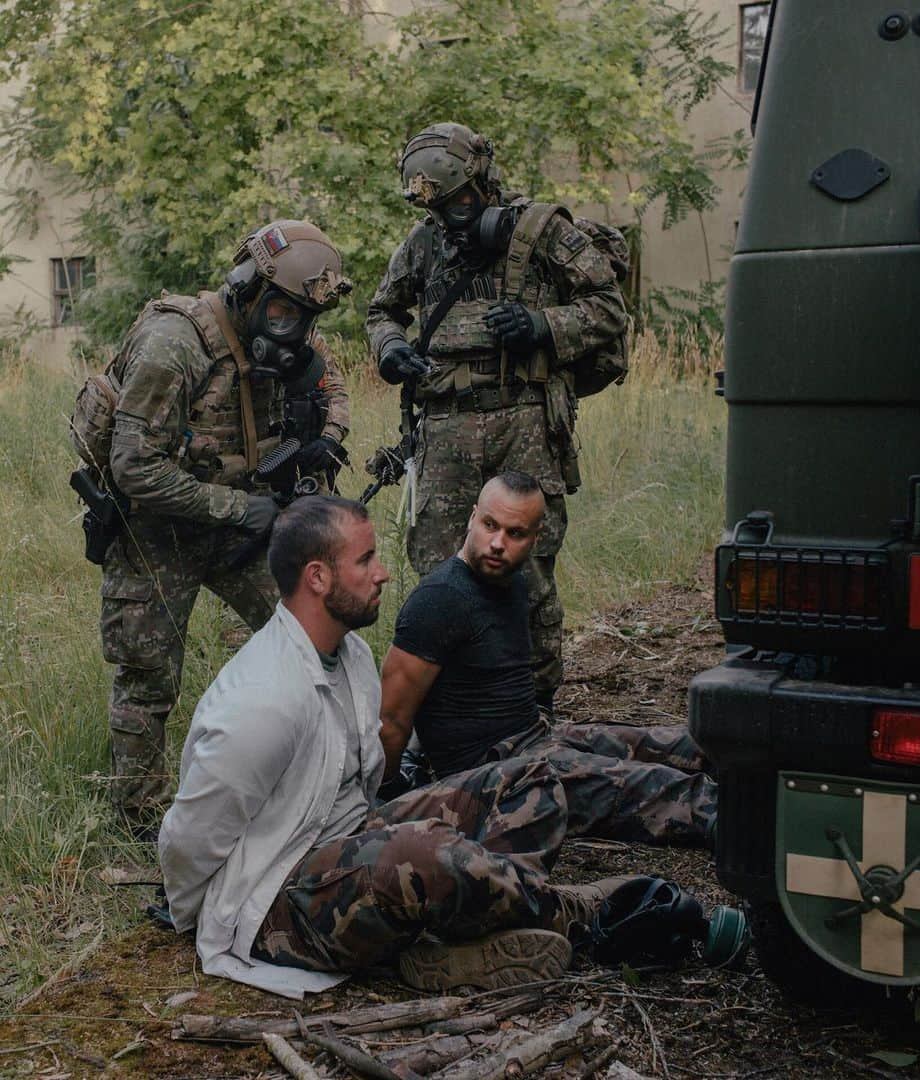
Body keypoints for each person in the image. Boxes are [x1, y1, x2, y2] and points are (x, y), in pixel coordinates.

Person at [158, 496, 634, 998]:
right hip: (273, 902)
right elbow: (190, 839)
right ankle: (575, 913)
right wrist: (197, 921)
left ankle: (467, 940)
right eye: (365, 560)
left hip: (347, 839)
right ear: (317, 578)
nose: (382, 573)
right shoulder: (262, 703)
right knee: (420, 854)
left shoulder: (353, 655)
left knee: (526, 779)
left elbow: (367, 793)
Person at [94, 220, 354, 829]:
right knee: (147, 678)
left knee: (312, 637)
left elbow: (333, 387)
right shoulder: (175, 343)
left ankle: (318, 780)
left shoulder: (289, 338)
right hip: (158, 531)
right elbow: (133, 466)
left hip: (242, 520)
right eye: (285, 311)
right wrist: (238, 509)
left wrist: (327, 439)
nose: (295, 327)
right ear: (248, 288)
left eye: (304, 316)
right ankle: (140, 822)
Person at [366, 121, 629, 714]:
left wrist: (544, 325)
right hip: (445, 429)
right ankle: (446, 709)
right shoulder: (425, 242)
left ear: (481, 181)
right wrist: (389, 348)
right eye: (440, 207)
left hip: (525, 423)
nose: (454, 219)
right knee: (439, 570)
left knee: (526, 573)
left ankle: (530, 706)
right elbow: (382, 309)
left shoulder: (541, 232)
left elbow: (607, 308)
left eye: (461, 202)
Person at [380, 472, 717, 847]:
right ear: (472, 517)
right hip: (497, 777)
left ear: (534, 539)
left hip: (535, 737)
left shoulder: (512, 581)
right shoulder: (438, 599)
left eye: (515, 533)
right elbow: (392, 718)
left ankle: (779, 779)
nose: (497, 543)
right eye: (490, 525)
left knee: (685, 745)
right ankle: (773, 837)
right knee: (666, 790)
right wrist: (394, 797)